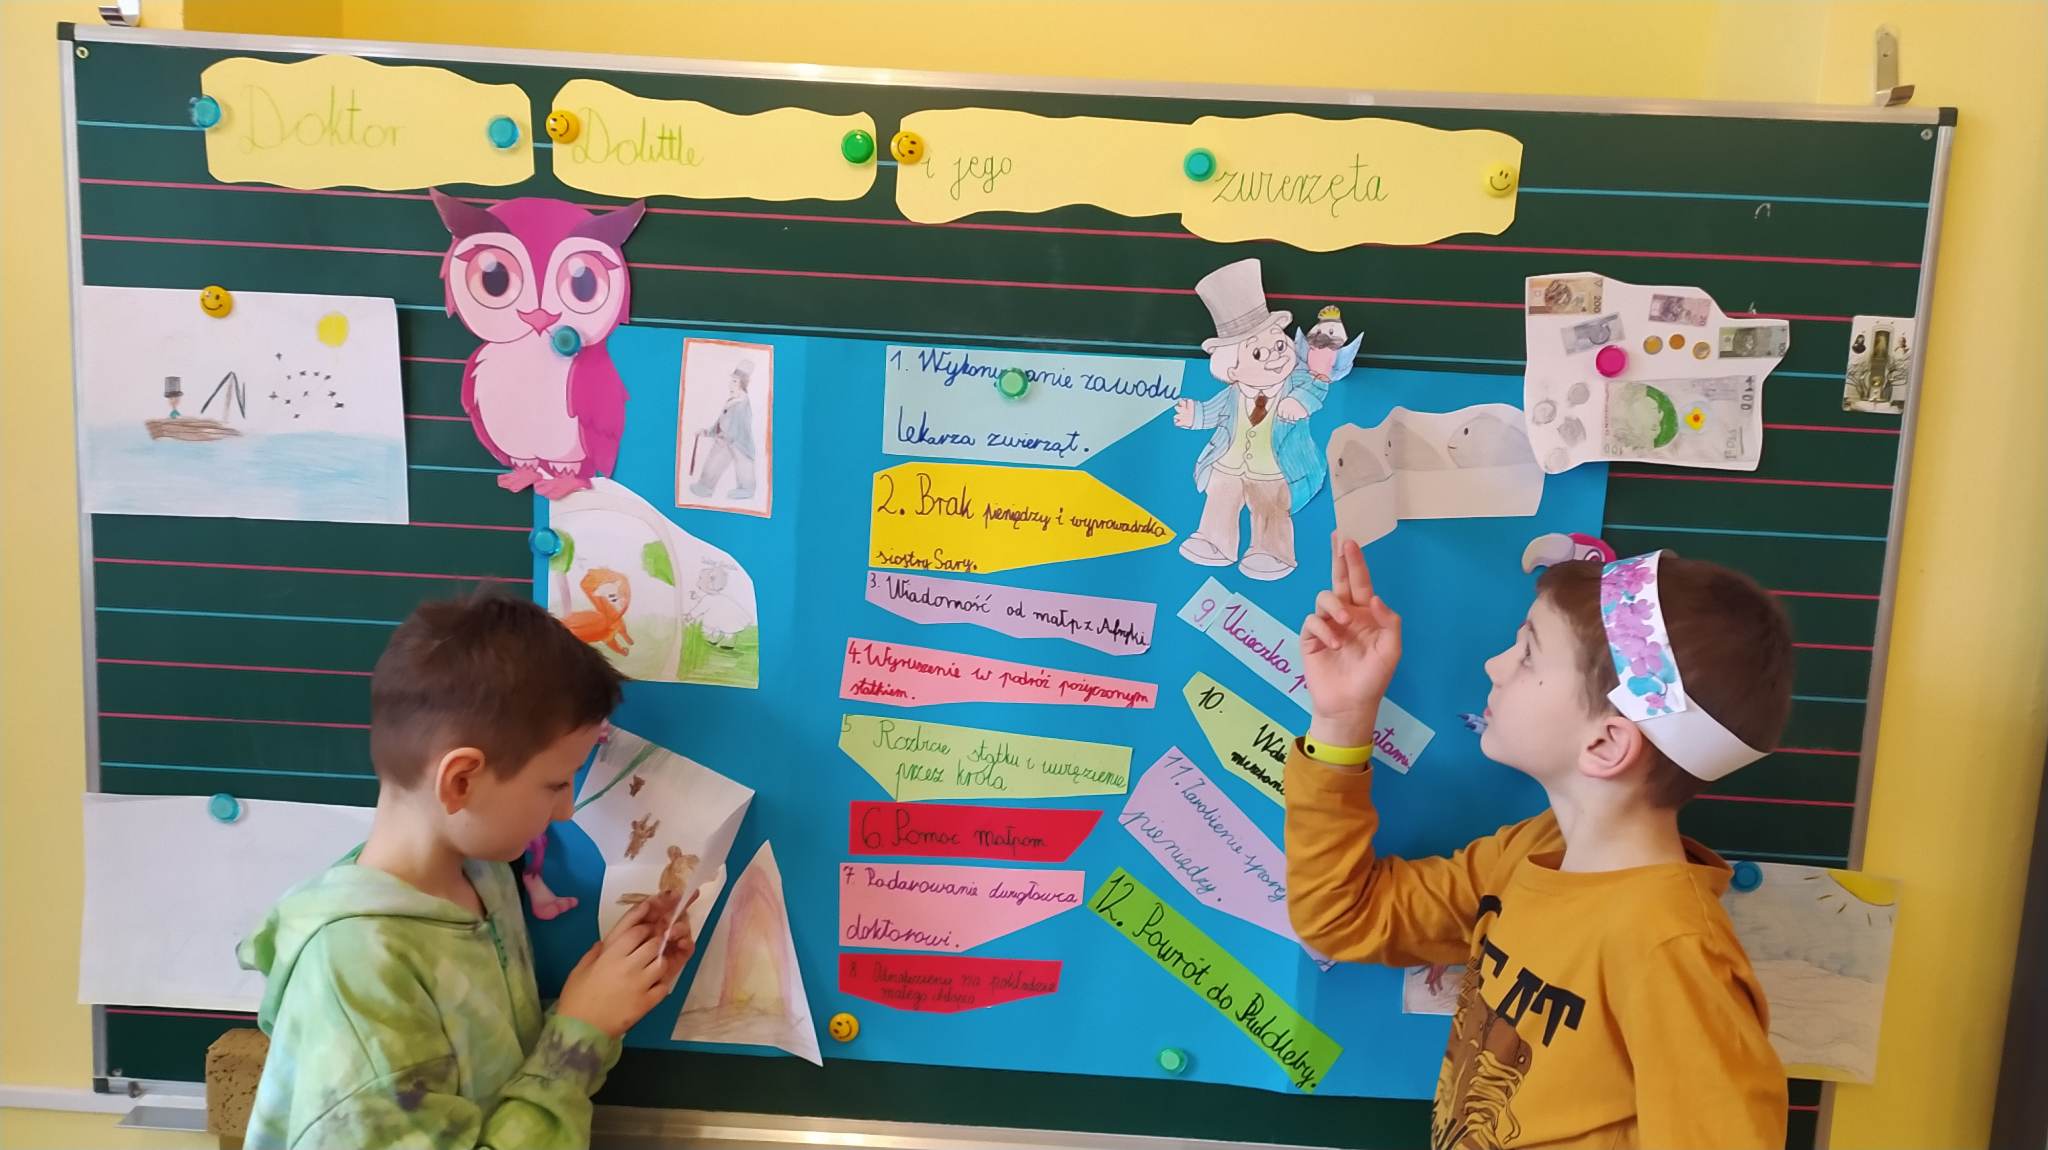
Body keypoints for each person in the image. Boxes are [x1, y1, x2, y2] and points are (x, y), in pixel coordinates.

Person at [1287, 533, 1792, 1148]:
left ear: (1605, 744)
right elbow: (1342, 916)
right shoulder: (1531, 855)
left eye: (1527, 654)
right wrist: (1341, 721)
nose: (1494, 665)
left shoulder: (1672, 948)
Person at [237, 595, 693, 1149]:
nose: (566, 810)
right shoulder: (355, 968)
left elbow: (490, 1064)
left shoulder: (483, 877)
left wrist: (604, 995)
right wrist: (581, 1036)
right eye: (555, 784)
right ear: (461, 782)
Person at [690, 360, 757, 501]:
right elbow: (721, 422)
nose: (731, 384)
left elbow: (742, 426)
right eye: (732, 381)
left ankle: (746, 489)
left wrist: (727, 437)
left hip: (739, 443)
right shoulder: (732, 401)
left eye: (735, 381)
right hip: (726, 439)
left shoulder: (742, 403)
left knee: (743, 464)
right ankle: (705, 486)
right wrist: (707, 432)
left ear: (743, 383)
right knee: (714, 461)